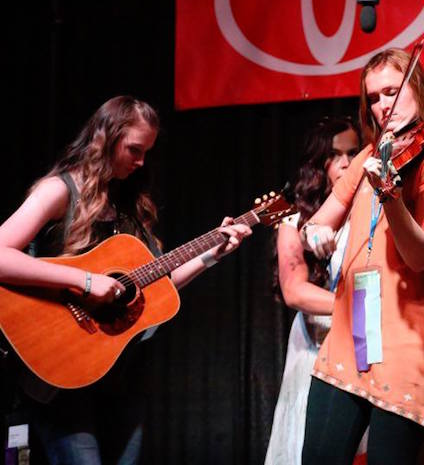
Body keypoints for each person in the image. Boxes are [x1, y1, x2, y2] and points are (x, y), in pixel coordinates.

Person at [0, 95, 252, 465]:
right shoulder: (60, 190)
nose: (141, 162)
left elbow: (153, 286)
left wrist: (211, 254)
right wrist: (86, 281)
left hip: (119, 376)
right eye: (134, 149)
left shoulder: (130, 206)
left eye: (147, 152)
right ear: (107, 138)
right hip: (62, 370)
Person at [299, 48, 424, 464]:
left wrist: (391, 196)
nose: (382, 105)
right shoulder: (368, 156)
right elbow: (316, 224)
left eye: (392, 91)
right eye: (373, 97)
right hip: (350, 336)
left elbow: (421, 256)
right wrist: (315, 233)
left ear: (418, 89)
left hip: (407, 343)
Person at [264, 116, 363, 465]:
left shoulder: (368, 211)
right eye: (336, 155)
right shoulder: (294, 218)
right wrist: (359, 308)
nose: (348, 163)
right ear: (318, 163)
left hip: (364, 343)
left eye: (354, 152)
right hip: (319, 344)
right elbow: (295, 292)